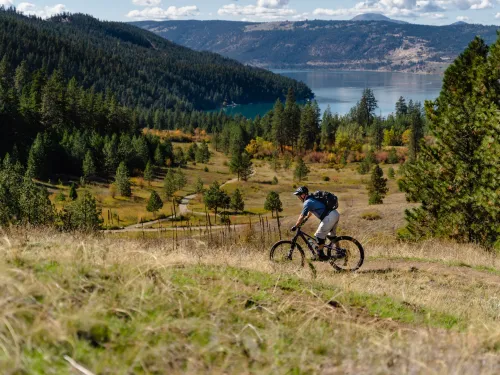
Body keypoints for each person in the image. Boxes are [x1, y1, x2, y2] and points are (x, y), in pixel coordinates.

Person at [291, 186, 340, 261]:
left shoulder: (307, 202)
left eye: (299, 195)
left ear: (303, 195)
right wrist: (305, 220)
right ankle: (339, 251)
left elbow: (302, 215)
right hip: (334, 214)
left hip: (329, 217)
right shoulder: (312, 199)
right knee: (331, 236)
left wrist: (296, 226)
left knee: (318, 236)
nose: (298, 197)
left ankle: (320, 255)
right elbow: (310, 213)